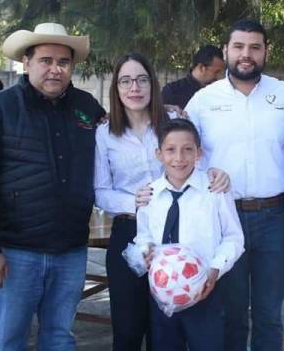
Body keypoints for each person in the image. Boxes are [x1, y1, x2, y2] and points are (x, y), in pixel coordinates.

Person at [0, 23, 106, 350]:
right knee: (10, 342)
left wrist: (165, 117)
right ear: (26, 63)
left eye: (63, 62)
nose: (55, 69)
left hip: (71, 250)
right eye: (46, 60)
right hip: (16, 253)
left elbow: (124, 139)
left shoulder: (87, 107)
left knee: (59, 339)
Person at [183, 18, 284, 351]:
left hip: (274, 218)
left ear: (266, 51)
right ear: (226, 50)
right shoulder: (203, 101)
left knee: (270, 314)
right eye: (238, 46)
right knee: (232, 313)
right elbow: (181, 152)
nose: (246, 54)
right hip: (224, 218)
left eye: (255, 47)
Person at [94, 52, 230, 351]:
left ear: (152, 84)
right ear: (116, 88)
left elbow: (198, 161)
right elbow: (101, 191)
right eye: (126, 81)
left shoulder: (174, 120)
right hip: (130, 234)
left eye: (142, 80)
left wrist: (217, 173)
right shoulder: (104, 133)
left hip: (178, 234)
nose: (134, 88)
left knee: (168, 330)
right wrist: (134, 202)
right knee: (128, 329)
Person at [135, 118, 244, 350]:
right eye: (170, 150)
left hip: (205, 289)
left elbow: (234, 237)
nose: (179, 158)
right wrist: (145, 251)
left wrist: (216, 268)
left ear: (199, 153)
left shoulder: (215, 190)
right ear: (158, 154)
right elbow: (143, 236)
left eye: (187, 149)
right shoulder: (150, 194)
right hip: (163, 291)